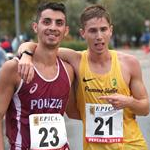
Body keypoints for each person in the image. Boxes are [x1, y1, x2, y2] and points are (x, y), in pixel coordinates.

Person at [17, 4, 149, 150]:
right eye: (92, 31)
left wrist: (128, 102)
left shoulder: (129, 63)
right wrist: (26, 55)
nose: (99, 36)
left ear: (110, 30)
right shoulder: (75, 59)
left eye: (103, 29)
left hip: (132, 145)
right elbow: (39, 46)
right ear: (83, 33)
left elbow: (145, 109)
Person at [0, 2, 80, 150]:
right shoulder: (14, 69)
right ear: (35, 27)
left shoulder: (68, 71)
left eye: (59, 23)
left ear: (66, 30)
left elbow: (73, 112)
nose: (53, 27)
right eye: (46, 22)